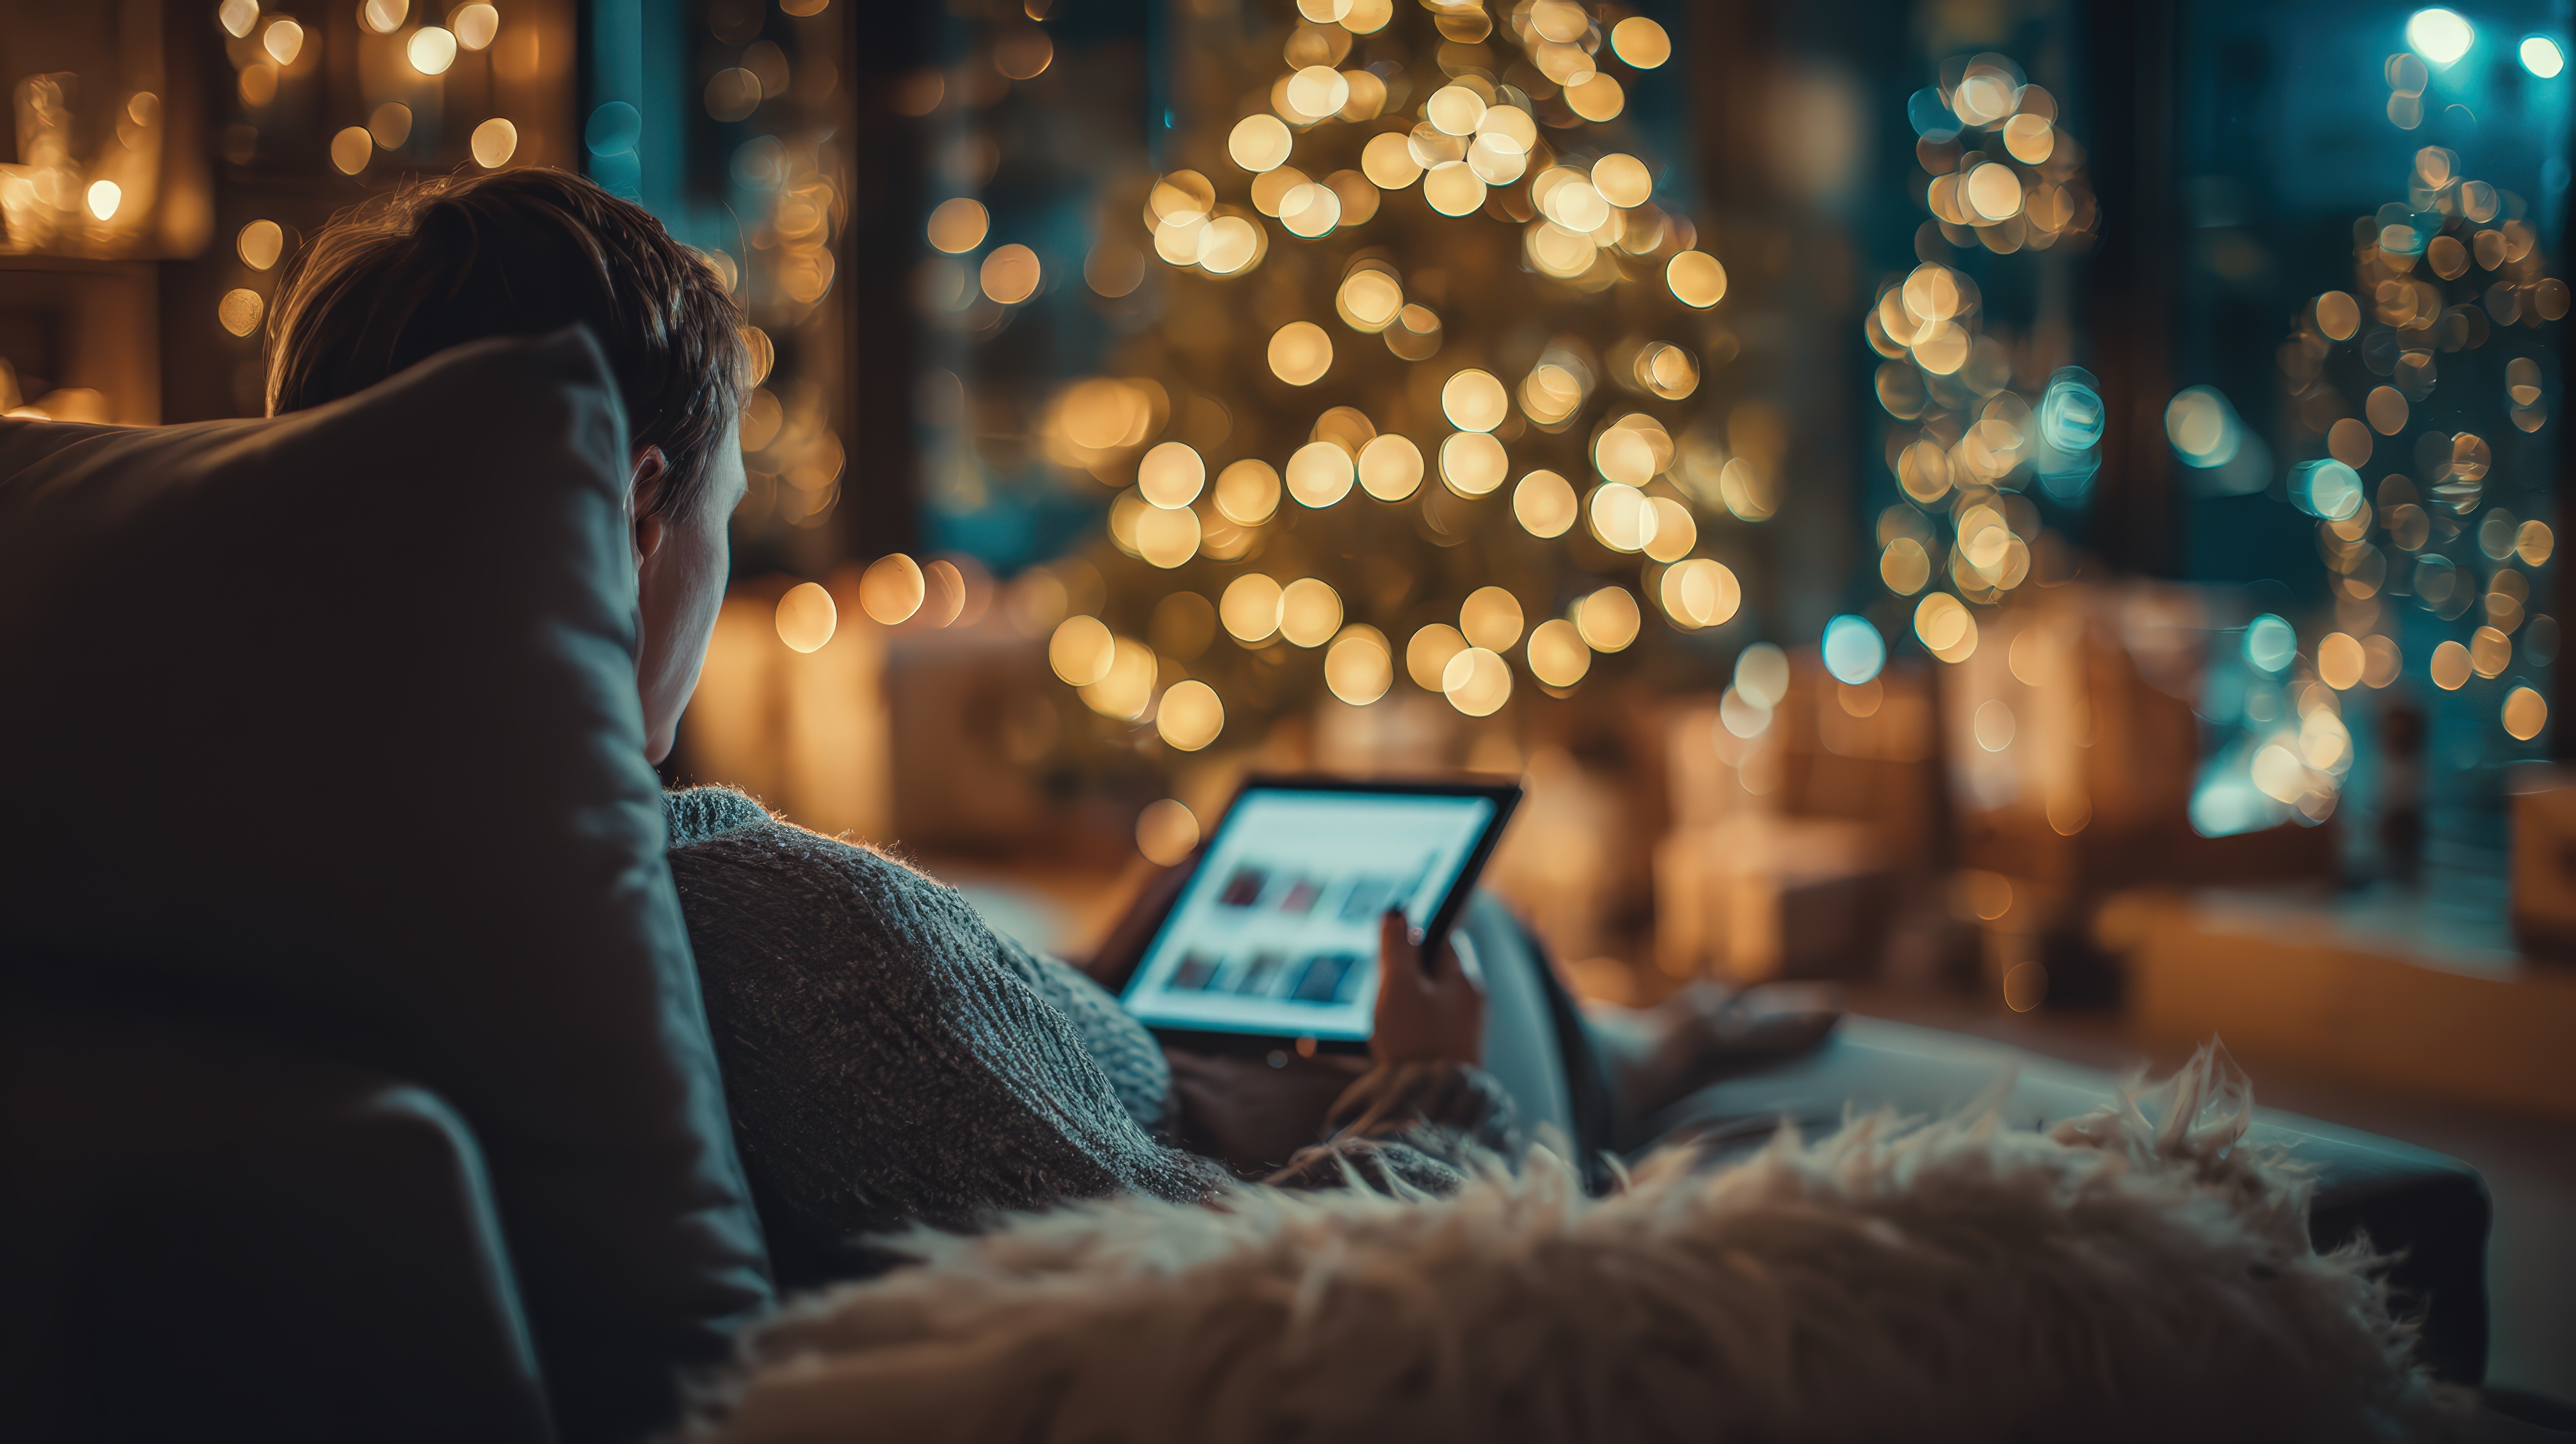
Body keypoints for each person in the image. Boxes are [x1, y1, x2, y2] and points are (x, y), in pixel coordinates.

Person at [265, 168, 1828, 1285]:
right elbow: (1254, 1297)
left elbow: (929, 1105)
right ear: (637, 517)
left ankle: (1642, 1040)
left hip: (1134, 1069)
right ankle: (1642, 1056)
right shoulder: (767, 930)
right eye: (737, 508)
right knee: (1468, 957)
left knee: (1299, 956)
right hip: (1307, 1162)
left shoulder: (285, 873)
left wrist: (1054, 987)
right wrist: (1435, 1094)